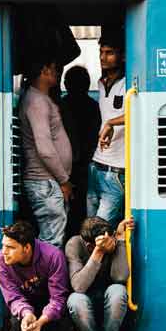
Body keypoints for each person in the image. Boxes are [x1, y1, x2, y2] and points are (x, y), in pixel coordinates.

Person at [65, 216, 134, 331]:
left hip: (111, 305)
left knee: (118, 290)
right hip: (86, 304)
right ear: (89, 246)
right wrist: (98, 252)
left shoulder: (114, 239)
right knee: (75, 300)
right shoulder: (74, 244)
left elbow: (121, 277)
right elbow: (79, 286)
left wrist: (120, 240)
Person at [20, 60, 74, 244]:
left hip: (47, 181)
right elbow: (45, 149)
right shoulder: (37, 102)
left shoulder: (38, 99)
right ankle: (48, 273)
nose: (58, 73)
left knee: (53, 235)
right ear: (44, 70)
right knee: (52, 239)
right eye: (54, 69)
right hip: (46, 182)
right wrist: (64, 180)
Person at [86, 34, 127, 227]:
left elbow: (139, 114)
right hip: (96, 166)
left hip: (116, 171)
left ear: (124, 56)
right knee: (89, 229)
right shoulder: (101, 84)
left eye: (109, 53)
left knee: (97, 229)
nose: (103, 57)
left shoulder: (129, 84)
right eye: (101, 52)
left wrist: (111, 123)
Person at [59, 66, 101, 234]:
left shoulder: (61, 106)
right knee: (85, 206)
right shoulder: (94, 106)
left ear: (66, 84)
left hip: (63, 166)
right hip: (88, 163)